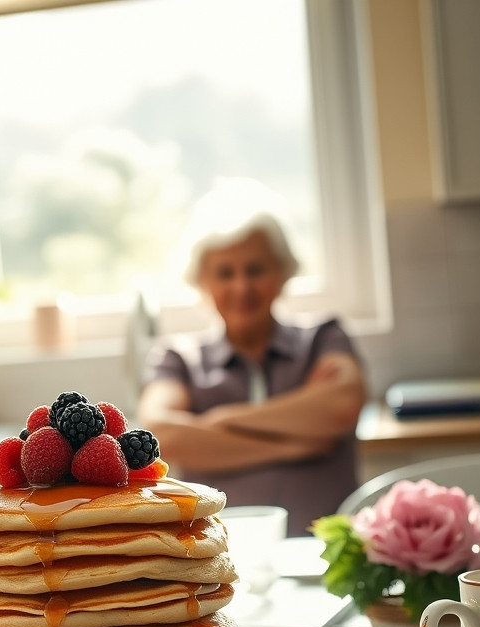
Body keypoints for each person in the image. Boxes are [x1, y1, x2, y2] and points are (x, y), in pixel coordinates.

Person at [137, 179, 366, 536]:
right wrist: (295, 445)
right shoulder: (176, 358)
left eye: (255, 269)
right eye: (225, 273)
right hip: (217, 559)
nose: (241, 287)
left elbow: (341, 406)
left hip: (324, 555)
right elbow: (162, 435)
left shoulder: (324, 336)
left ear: (281, 273)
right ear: (203, 282)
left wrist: (221, 420)